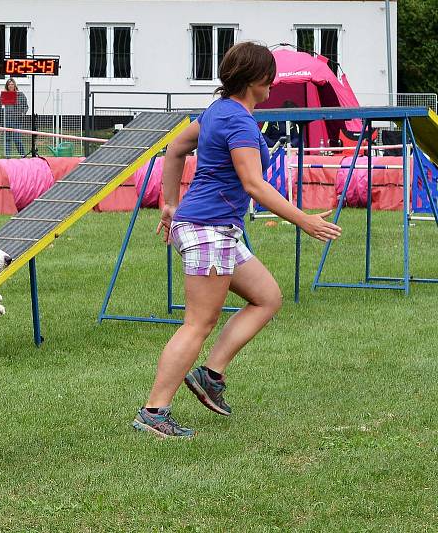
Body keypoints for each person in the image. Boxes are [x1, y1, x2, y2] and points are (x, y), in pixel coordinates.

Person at [133, 42, 342, 439]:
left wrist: (170, 204)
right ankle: (154, 411)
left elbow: (175, 148)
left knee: (267, 298)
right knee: (199, 322)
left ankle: (210, 376)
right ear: (258, 80)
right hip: (209, 228)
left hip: (214, 227)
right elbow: (254, 184)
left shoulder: (219, 111)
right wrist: (304, 221)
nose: (273, 85)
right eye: (270, 78)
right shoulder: (240, 122)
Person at [0, 78, 28, 157]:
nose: (11, 86)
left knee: (17, 139)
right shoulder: (3, 95)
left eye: (12, 84)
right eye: (9, 84)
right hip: (7, 120)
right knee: (7, 139)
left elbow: (26, 106)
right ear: (7, 86)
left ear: (15, 85)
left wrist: (23, 113)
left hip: (17, 120)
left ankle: (23, 155)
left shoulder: (20, 95)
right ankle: (8, 157)